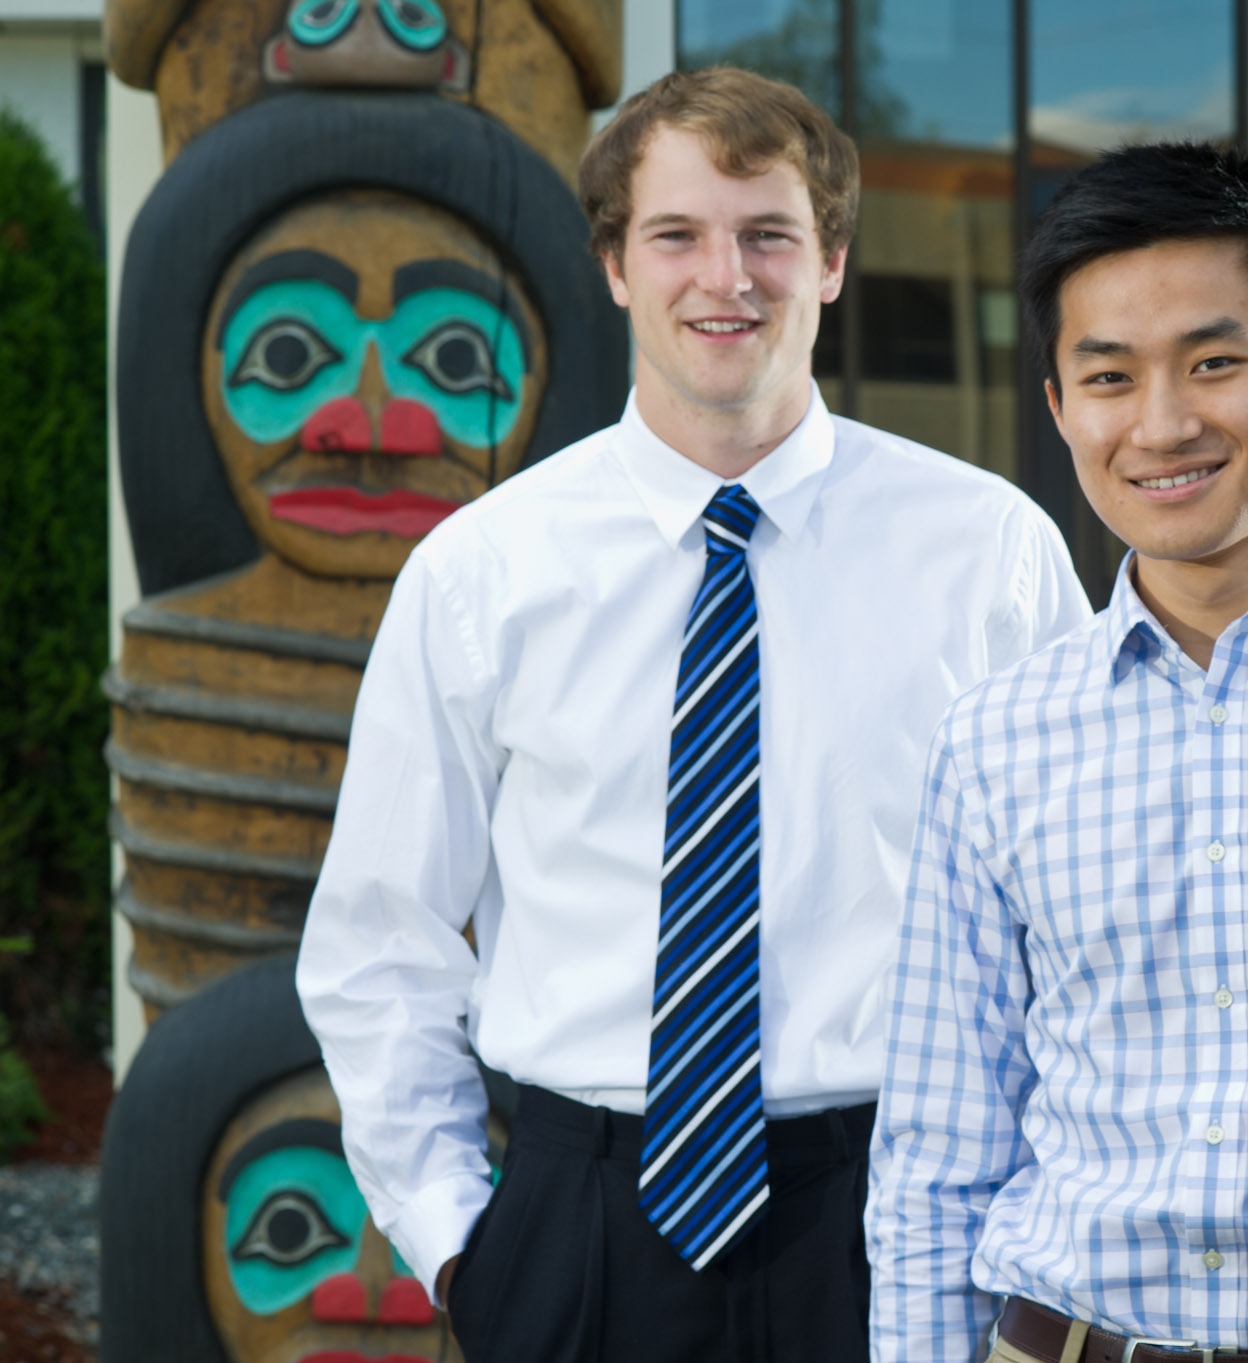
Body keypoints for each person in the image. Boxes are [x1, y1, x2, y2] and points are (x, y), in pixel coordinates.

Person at [295, 66, 1090, 1363]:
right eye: (677, 234)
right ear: (615, 264)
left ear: (831, 260)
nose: (726, 276)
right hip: (582, 1224)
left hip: (904, 1209)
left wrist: (1039, 1238)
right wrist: (459, 1241)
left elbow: (1077, 924)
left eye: (768, 234)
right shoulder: (480, 569)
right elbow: (380, 944)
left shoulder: (988, 550)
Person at [867, 143, 1248, 1363]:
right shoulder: (995, 737)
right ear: (1059, 408)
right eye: (1108, 376)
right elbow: (936, 1147)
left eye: (1215, 362)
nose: (1161, 423)